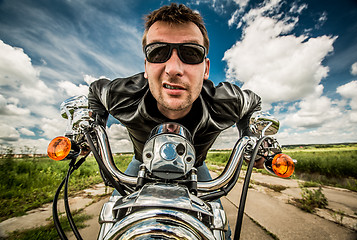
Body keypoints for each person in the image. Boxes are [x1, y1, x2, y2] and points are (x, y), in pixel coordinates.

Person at [88, 3, 262, 238]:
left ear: (206, 68)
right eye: (158, 52)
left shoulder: (226, 101)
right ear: (146, 67)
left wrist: (252, 138)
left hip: (195, 167)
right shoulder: (122, 95)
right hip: (140, 163)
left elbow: (253, 103)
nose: (173, 68)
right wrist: (93, 127)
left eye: (190, 53)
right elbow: (95, 92)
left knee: (219, 227)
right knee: (112, 217)